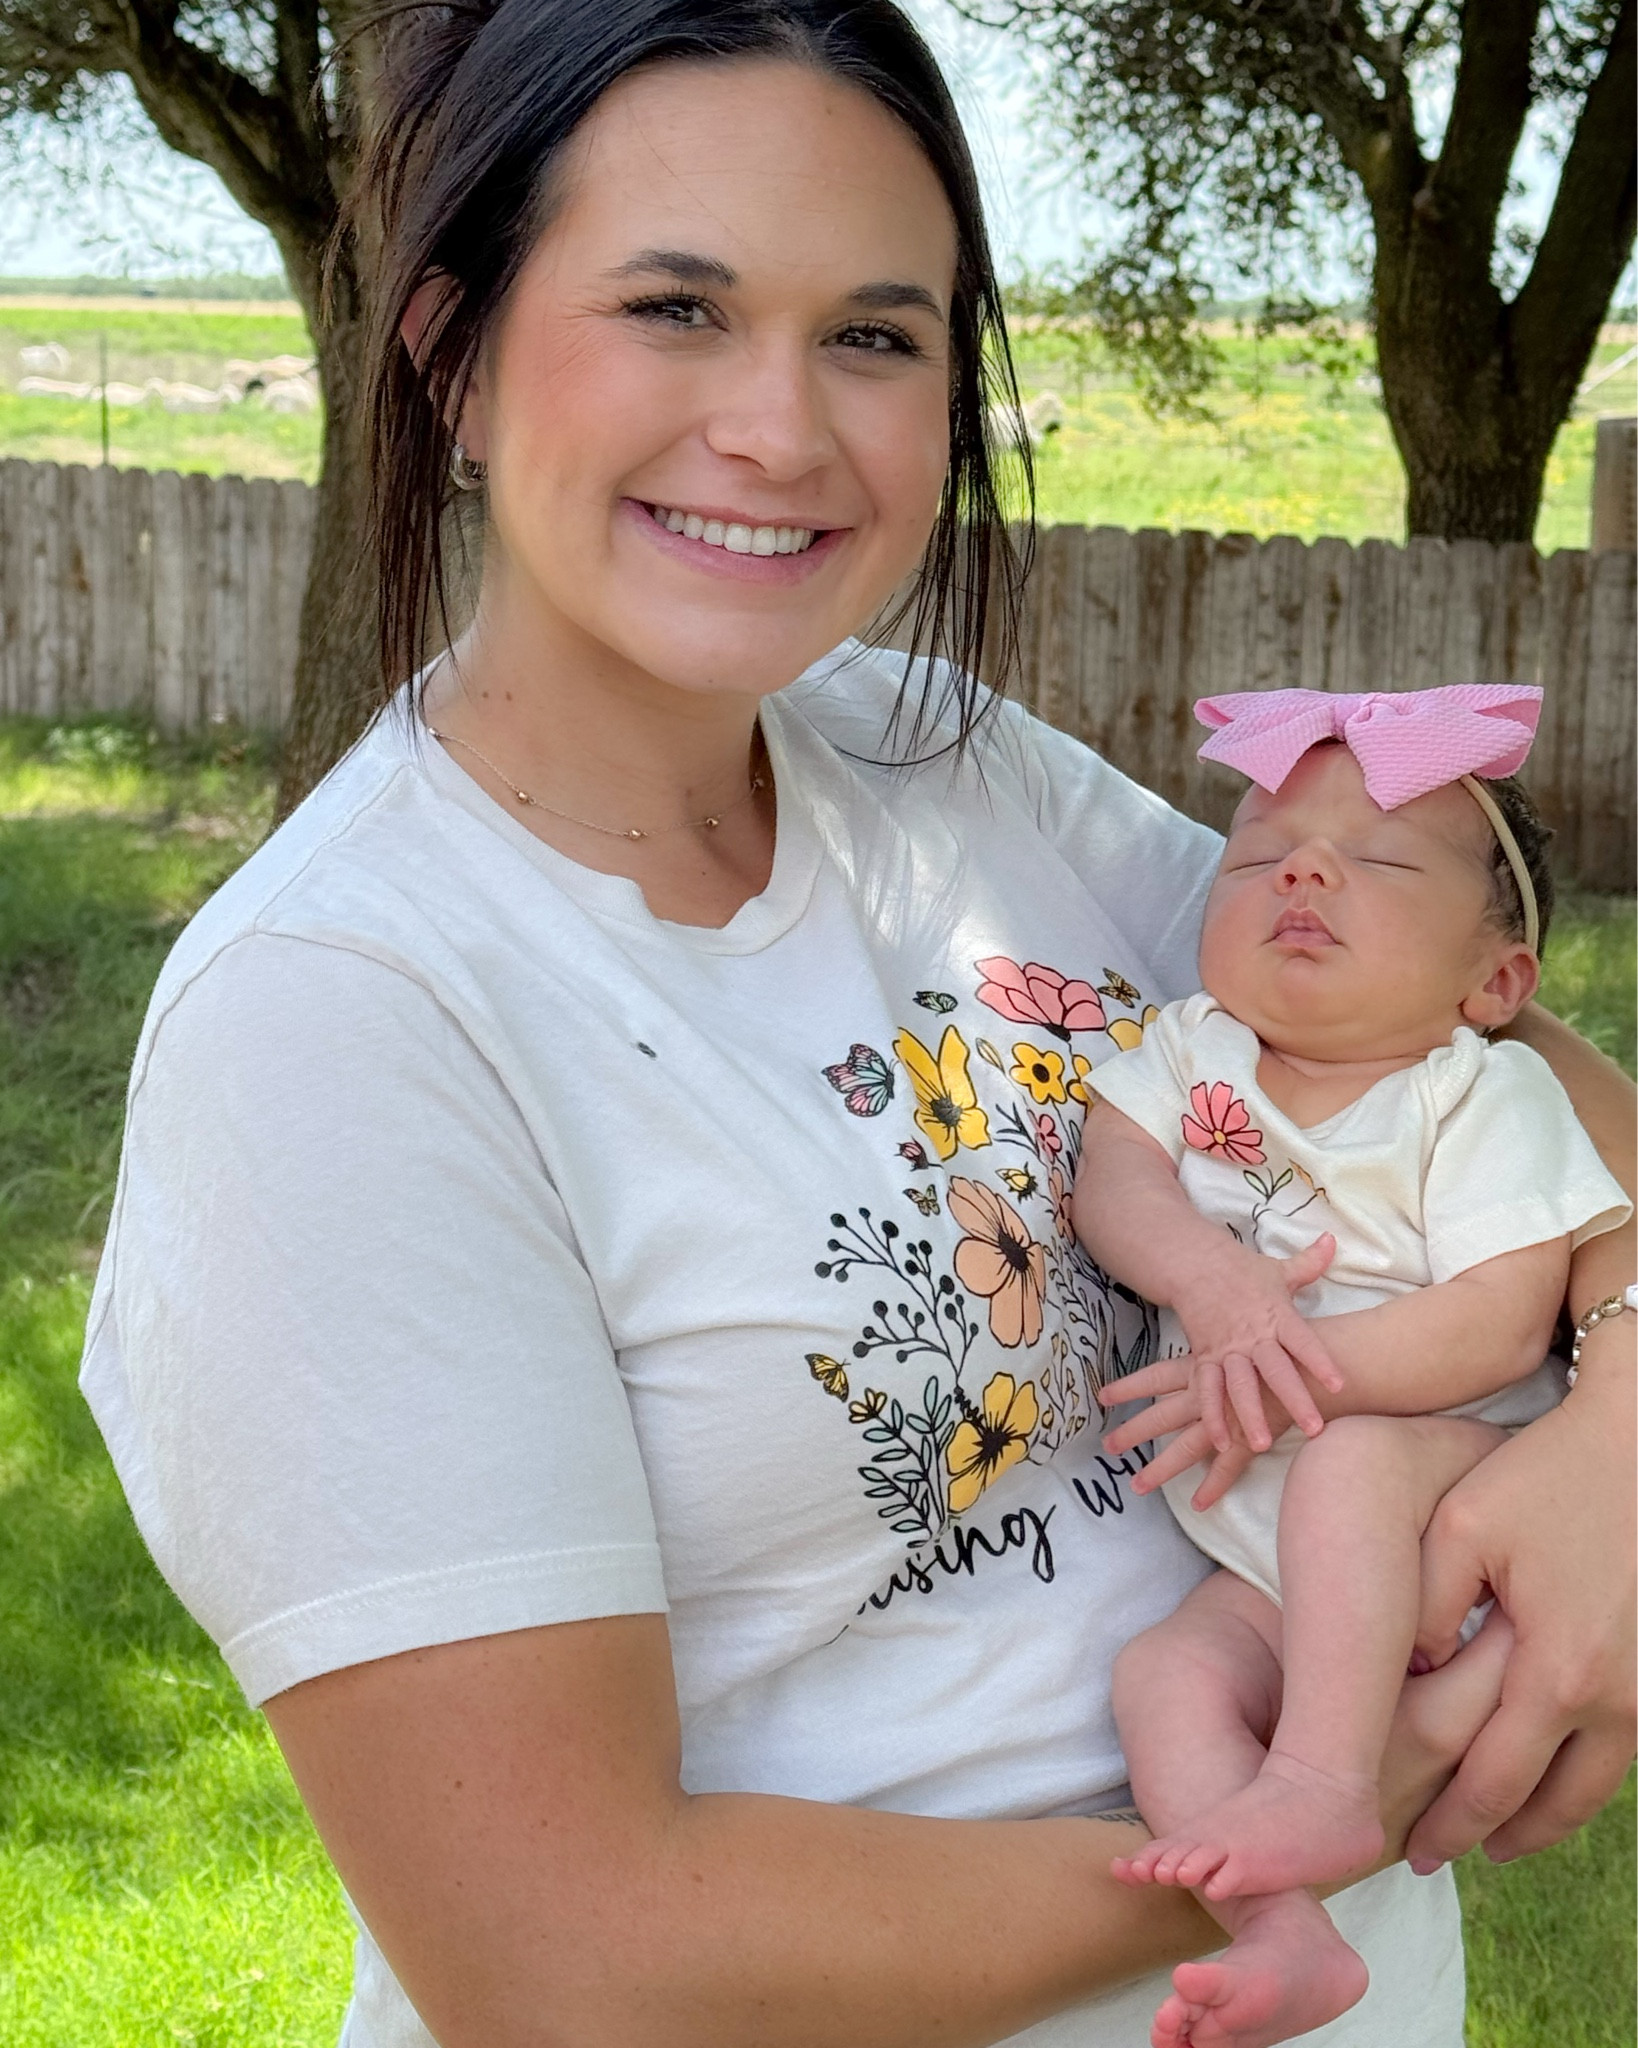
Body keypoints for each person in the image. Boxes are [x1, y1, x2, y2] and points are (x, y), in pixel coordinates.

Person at [77, 5, 1635, 2045]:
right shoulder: (343, 1020)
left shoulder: (955, 766)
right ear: (450, 353)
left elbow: (1499, 1065)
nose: (782, 430)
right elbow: (569, 1952)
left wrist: (1620, 1422)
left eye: (879, 337)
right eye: (677, 306)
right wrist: (1331, 1812)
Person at [1073, 688, 1631, 2048]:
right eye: (1259, 855)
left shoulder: (1472, 1094)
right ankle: (1280, 1930)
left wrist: (1285, 1361)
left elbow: (1501, 1320)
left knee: (1355, 1466)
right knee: (1164, 1678)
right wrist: (1211, 1289)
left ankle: (1323, 1777)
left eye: (1376, 860)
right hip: (1281, 1578)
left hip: (1440, 1488)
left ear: (1492, 985)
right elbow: (1115, 1185)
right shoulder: (1187, 1049)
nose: (1304, 871)